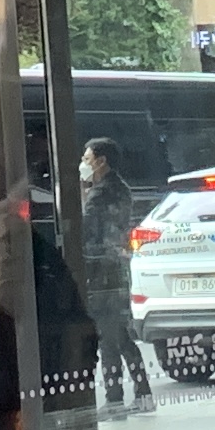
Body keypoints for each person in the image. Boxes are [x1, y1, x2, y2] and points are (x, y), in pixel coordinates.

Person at [75, 138, 150, 408]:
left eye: (87, 159)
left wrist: (82, 193)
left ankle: (123, 396)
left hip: (101, 272)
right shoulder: (120, 188)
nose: (83, 164)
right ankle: (133, 393)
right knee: (115, 334)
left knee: (111, 335)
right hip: (115, 268)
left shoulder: (100, 193)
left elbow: (85, 229)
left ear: (101, 160)